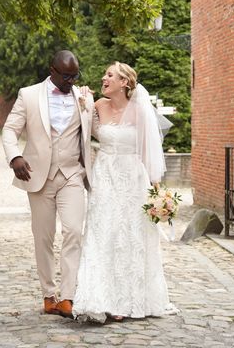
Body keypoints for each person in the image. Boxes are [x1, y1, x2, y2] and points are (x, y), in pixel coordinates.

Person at [72, 61, 177, 323]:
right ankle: (98, 298)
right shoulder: (96, 106)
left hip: (133, 179)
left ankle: (126, 300)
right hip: (105, 177)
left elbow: (148, 150)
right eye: (104, 73)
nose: (103, 78)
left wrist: (157, 191)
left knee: (131, 237)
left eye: (110, 75)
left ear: (125, 83)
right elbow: (85, 133)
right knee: (102, 233)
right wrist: (83, 103)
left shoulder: (141, 111)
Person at [2, 50, 94, 318]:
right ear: (51, 70)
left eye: (75, 75)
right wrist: (15, 156)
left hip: (73, 175)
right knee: (43, 237)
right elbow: (9, 130)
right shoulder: (28, 95)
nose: (71, 81)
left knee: (74, 231)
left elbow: (96, 128)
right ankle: (49, 295)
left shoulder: (83, 96)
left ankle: (68, 297)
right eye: (66, 76)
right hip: (37, 176)